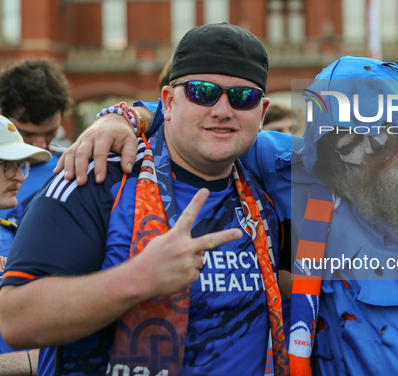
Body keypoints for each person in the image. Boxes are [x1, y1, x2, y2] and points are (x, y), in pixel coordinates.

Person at [62, 56, 398, 375]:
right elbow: (215, 126)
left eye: (386, 128)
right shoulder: (308, 179)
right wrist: (124, 116)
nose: (366, 148)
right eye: (345, 140)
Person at [0, 23, 292, 376]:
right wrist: (137, 279)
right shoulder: (95, 179)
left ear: (261, 113)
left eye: (242, 97)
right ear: (168, 102)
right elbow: (15, 319)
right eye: (202, 93)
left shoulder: (269, 193)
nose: (222, 110)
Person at [0, 115, 51, 375]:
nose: (19, 176)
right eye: (8, 165)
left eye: (21, 165)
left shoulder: (12, 234)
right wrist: (31, 362)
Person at [0, 58, 73, 225]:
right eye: (27, 133)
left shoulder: (74, 169)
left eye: (50, 132)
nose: (40, 144)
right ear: (2, 116)